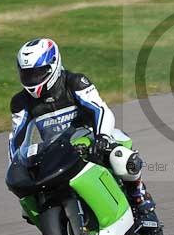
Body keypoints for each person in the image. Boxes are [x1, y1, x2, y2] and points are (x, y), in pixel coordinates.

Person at [8, 38, 153, 212]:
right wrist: (17, 166)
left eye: (38, 73)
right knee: (27, 203)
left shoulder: (75, 82)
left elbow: (100, 110)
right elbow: (16, 138)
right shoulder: (20, 102)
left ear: (54, 65)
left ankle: (137, 192)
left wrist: (102, 137)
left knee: (121, 157)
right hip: (53, 152)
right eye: (27, 74)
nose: (33, 79)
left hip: (90, 139)